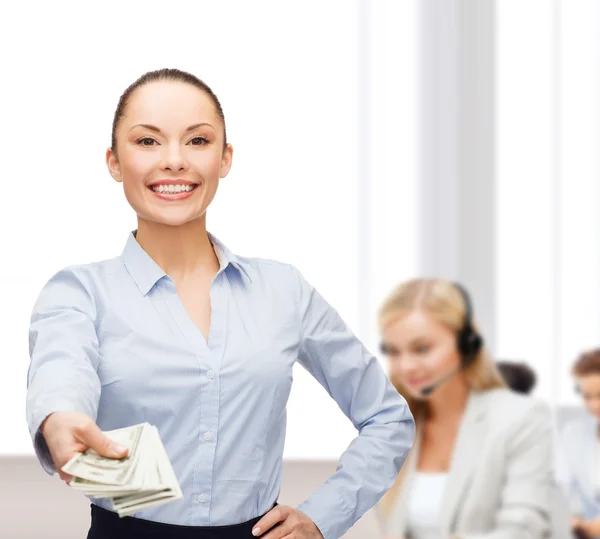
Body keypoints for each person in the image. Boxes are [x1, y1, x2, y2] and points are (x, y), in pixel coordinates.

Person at [26, 68, 415, 539]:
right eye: (147, 142)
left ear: (224, 158)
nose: (173, 161)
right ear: (113, 162)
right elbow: (62, 370)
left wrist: (324, 515)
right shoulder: (80, 292)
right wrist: (60, 418)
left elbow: (388, 418)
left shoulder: (283, 290)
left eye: (197, 141)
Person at [374, 278, 557, 538]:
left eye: (422, 349)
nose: (406, 366)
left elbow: (524, 530)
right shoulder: (398, 428)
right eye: (394, 351)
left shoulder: (521, 418)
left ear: (466, 346)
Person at [560, 348, 600, 538]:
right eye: (587, 397)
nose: (594, 405)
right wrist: (568, 519)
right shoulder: (574, 433)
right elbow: (560, 486)